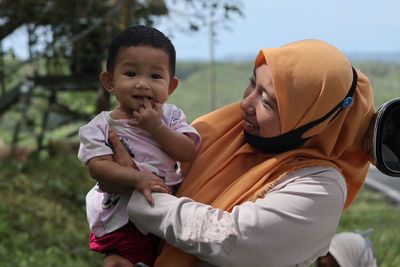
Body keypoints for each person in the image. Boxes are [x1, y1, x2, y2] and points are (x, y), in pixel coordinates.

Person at [104, 39, 375, 266]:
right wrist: (120, 248)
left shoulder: (321, 188)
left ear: (312, 120)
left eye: (267, 101)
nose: (246, 103)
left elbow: (231, 239)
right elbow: (151, 174)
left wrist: (137, 191)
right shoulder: (218, 132)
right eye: (252, 83)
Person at [77, 25, 201, 266]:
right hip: (122, 217)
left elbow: (187, 152)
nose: (143, 84)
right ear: (109, 81)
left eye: (155, 76)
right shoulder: (101, 126)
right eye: (131, 74)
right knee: (124, 258)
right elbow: (98, 167)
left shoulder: (171, 117)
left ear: (171, 86)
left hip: (163, 210)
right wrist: (137, 179)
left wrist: (156, 128)